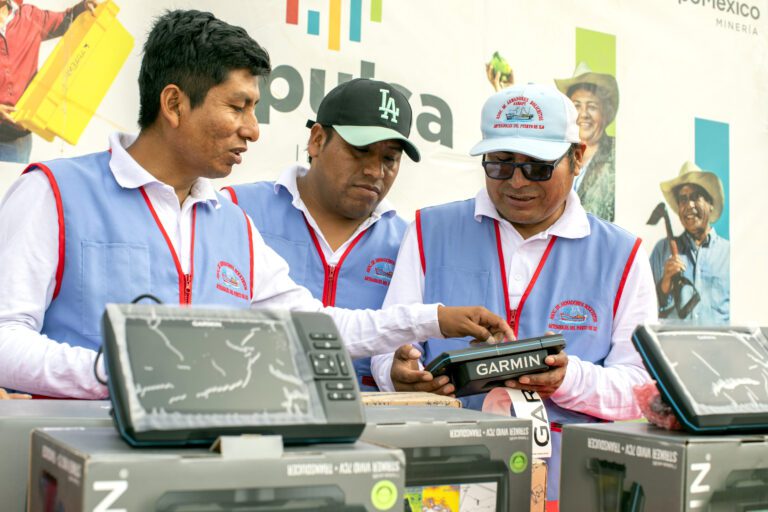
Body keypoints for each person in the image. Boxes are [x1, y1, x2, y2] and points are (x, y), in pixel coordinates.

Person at [0, 10, 512, 398]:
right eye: (238, 106)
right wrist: (114, 373)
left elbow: (316, 325)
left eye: (255, 108)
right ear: (174, 103)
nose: (253, 129)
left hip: (202, 473)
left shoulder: (228, 222)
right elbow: (5, 340)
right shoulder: (54, 192)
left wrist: (433, 319)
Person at [371, 83, 657, 504]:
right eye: (501, 165)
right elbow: (388, 347)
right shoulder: (429, 231)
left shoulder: (622, 254)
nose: (517, 182)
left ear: (577, 158)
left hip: (571, 488)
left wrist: (567, 379)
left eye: (537, 167)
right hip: (440, 484)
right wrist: (396, 376)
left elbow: (639, 389)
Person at [223, 78, 416, 391]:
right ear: (316, 140)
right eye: (360, 150)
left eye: (389, 158)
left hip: (369, 433)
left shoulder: (409, 243)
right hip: (248, 422)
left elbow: (403, 356)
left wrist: (400, 372)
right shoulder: (235, 208)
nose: (374, 170)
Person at [0, 0, 99, 163]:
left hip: (16, 142)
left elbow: (67, 20)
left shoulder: (30, 16)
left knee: (11, 188)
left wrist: (83, 7)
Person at [649, 161, 730, 323]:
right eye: (683, 199)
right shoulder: (662, 250)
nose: (689, 205)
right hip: (673, 347)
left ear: (710, 204)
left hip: (717, 347)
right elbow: (645, 307)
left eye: (695, 197)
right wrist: (664, 285)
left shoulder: (729, 254)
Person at [554, 62, 618, 221]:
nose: (583, 114)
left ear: (606, 113)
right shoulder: (556, 153)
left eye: (592, 106)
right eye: (576, 105)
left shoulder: (616, 153)